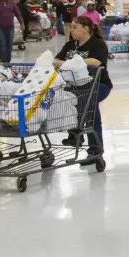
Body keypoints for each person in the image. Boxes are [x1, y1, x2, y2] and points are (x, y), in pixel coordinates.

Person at [53, 13, 112, 163]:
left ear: (85, 29)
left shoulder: (97, 44)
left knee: (87, 107)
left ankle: (84, 141)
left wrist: (73, 62)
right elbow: (57, 60)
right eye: (71, 27)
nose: (71, 30)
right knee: (67, 101)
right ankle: (81, 139)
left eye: (75, 27)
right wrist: (62, 63)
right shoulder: (70, 45)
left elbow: (96, 62)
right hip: (74, 86)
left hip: (98, 85)